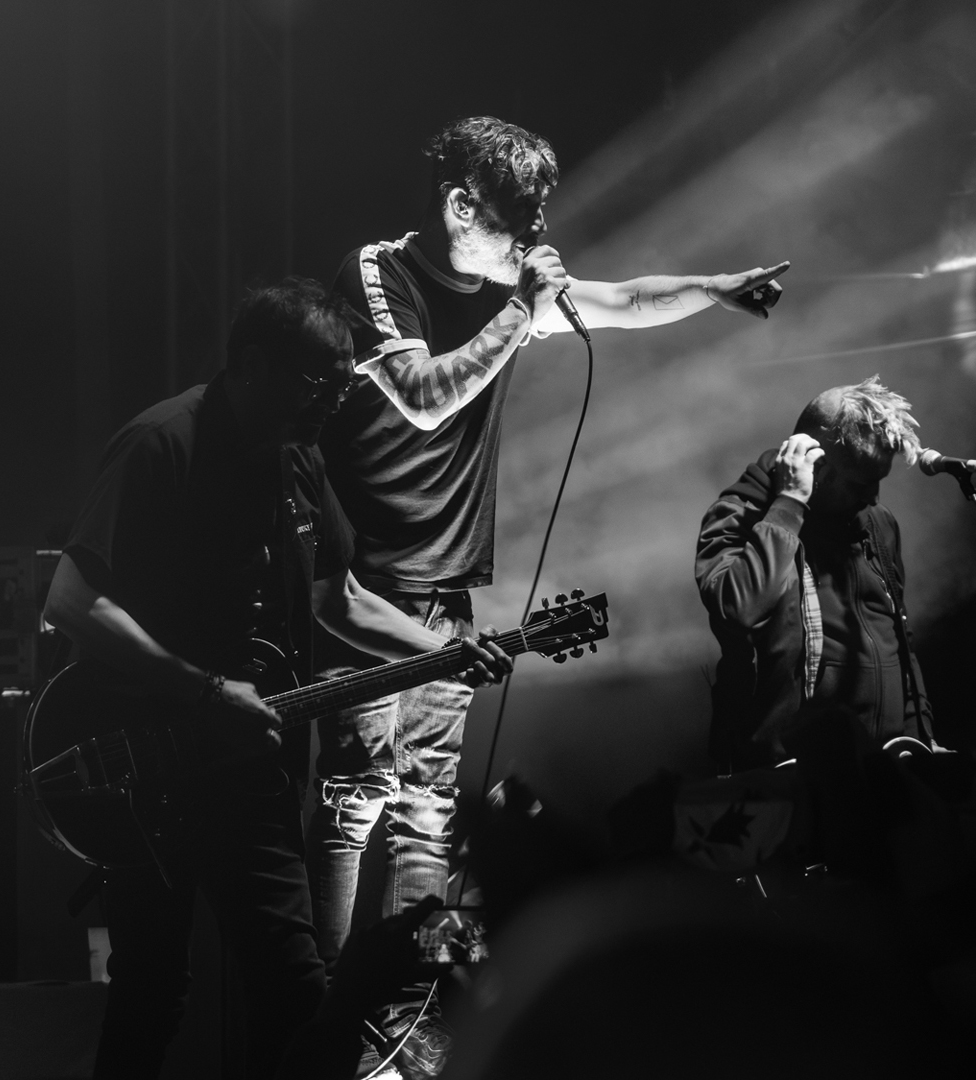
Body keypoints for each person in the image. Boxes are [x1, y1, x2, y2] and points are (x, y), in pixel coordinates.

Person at [309, 114, 790, 1011]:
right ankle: (324, 1014)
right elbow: (422, 396)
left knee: (427, 812)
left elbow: (627, 300)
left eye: (540, 213)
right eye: (520, 214)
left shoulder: (508, 293)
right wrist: (520, 312)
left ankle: (404, 1024)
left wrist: (716, 288)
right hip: (363, 584)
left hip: (448, 589)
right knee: (355, 797)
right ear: (461, 205)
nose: (537, 232)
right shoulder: (379, 273)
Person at [42, 279, 510, 1080]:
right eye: (319, 382)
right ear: (253, 365)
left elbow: (337, 601)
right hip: (143, 772)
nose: (334, 400)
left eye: (344, 384)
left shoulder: (300, 462)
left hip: (247, 774)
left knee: (294, 989)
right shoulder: (162, 442)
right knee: (152, 990)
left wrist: (445, 650)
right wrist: (202, 690)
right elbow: (71, 600)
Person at [694, 376, 940, 777]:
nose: (873, 496)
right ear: (816, 467)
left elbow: (899, 639)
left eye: (879, 480)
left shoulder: (877, 523)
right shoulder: (741, 514)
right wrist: (789, 503)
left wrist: (922, 738)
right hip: (785, 777)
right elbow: (737, 608)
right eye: (861, 482)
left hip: (886, 770)